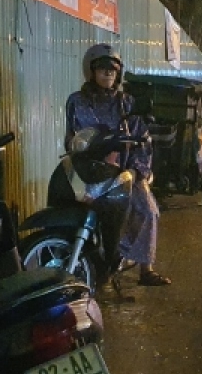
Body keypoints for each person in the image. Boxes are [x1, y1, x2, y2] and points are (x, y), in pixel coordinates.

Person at [66, 44, 172, 286]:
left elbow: (143, 140)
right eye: (102, 69)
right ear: (90, 71)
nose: (108, 74)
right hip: (90, 172)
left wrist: (136, 171)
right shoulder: (76, 101)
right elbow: (70, 137)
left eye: (113, 70)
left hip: (125, 174)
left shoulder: (128, 103)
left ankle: (145, 268)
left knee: (148, 210)